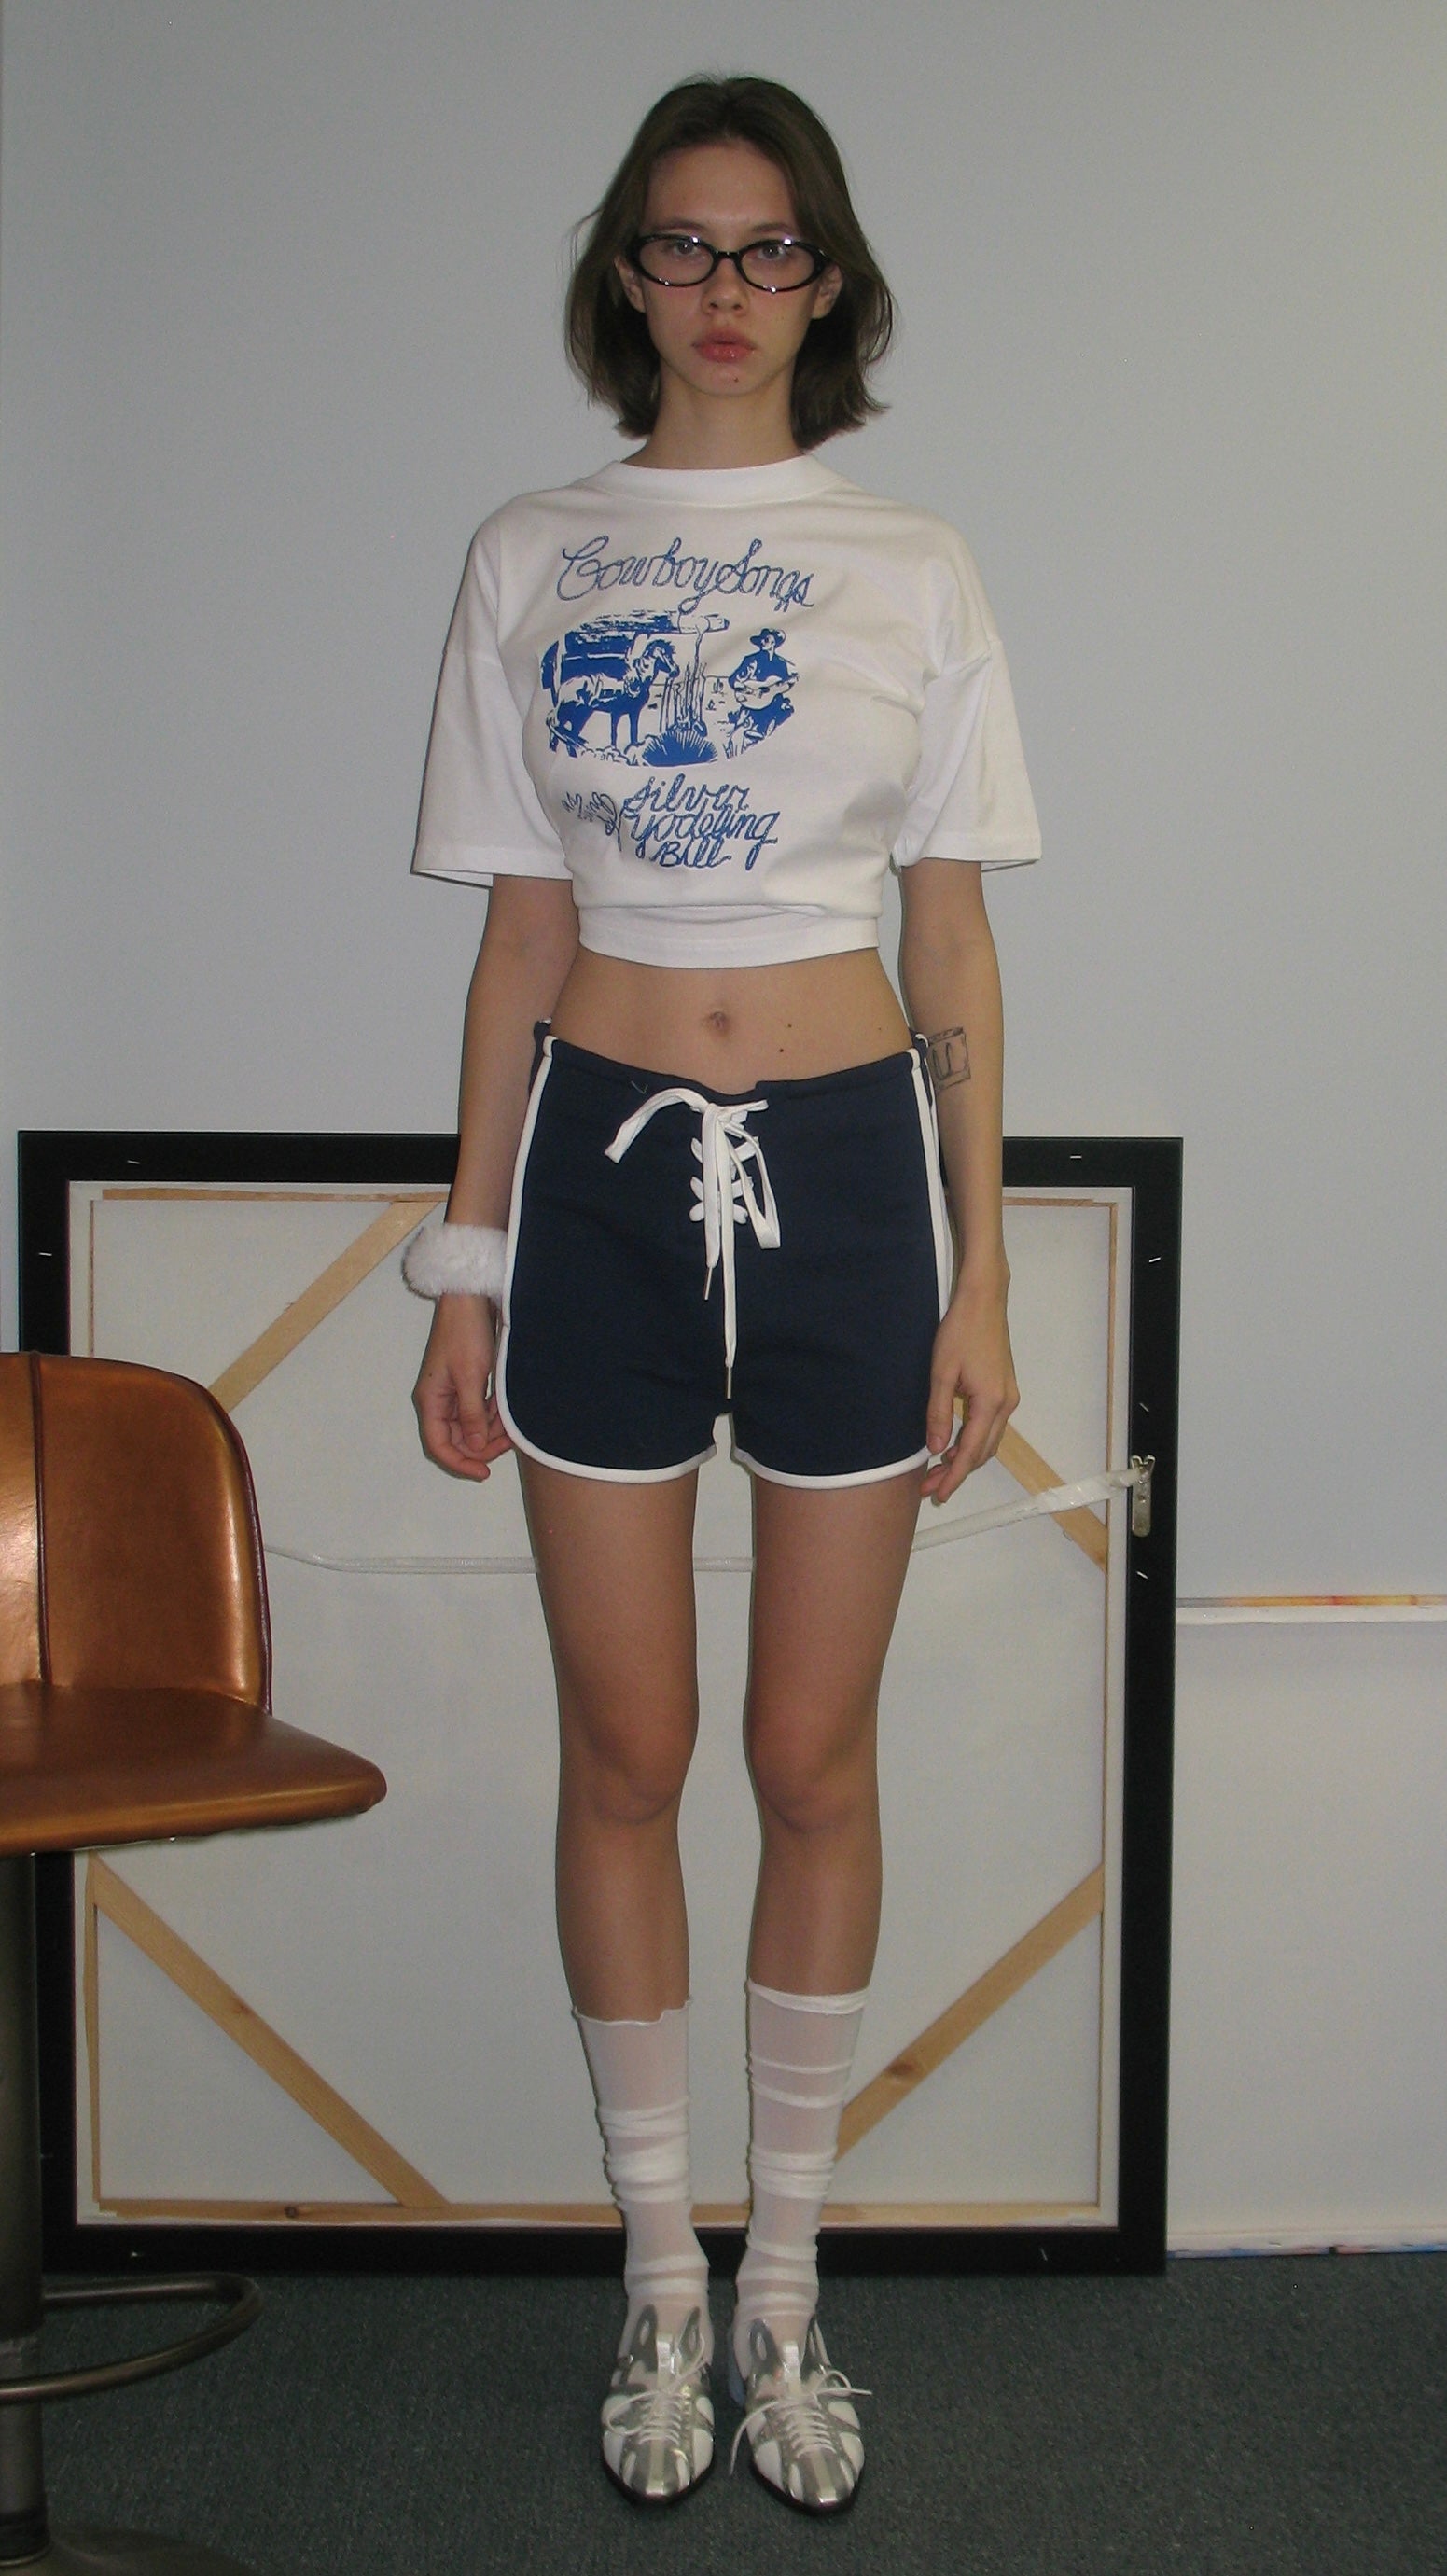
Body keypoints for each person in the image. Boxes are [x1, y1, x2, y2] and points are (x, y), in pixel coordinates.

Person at [405, 74, 1040, 2514]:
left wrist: (982, 1272)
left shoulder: (914, 566)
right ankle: (660, 2273)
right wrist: (467, 1268)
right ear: (627, 276)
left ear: (828, 279)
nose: (725, 290)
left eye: (770, 249)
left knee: (810, 1758)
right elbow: (516, 943)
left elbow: (952, 935)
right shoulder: (531, 553)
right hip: (594, 1188)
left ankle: (787, 2279)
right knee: (629, 1752)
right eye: (681, 246)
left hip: (855, 1187)